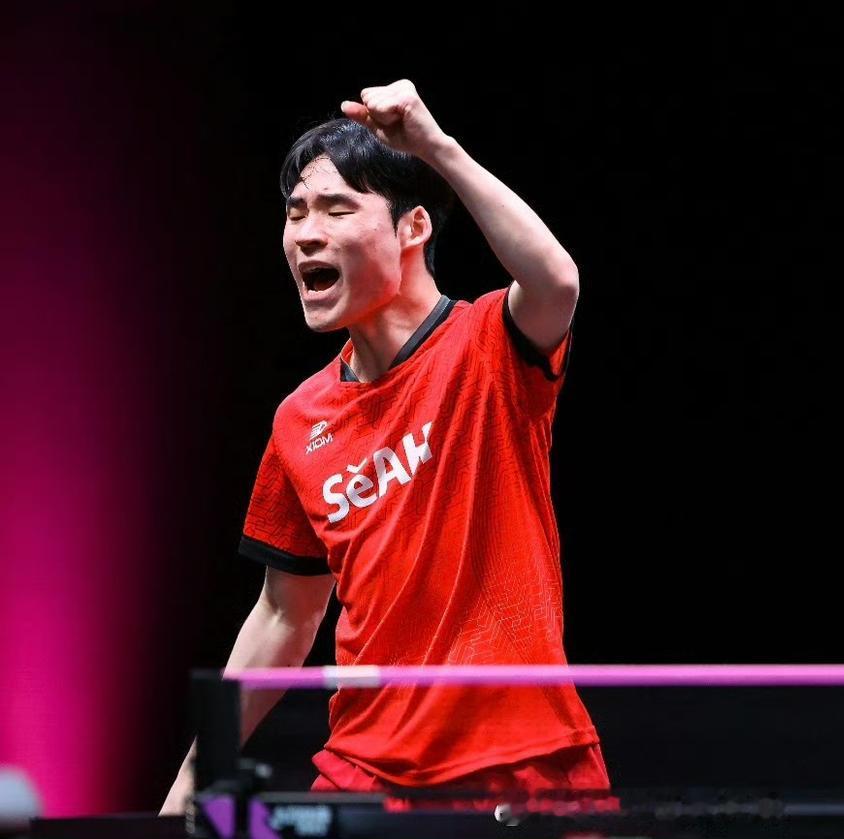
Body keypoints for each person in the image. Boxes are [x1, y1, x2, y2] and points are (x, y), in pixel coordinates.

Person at [161, 79, 606, 814]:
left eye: (337, 210)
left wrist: (435, 146)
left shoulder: (488, 345)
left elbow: (557, 279)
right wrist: (193, 775)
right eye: (295, 213)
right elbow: (284, 615)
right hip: (369, 774)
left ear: (413, 228)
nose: (306, 234)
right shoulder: (300, 419)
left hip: (523, 761)